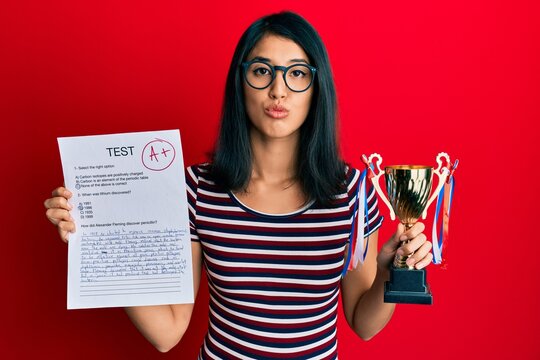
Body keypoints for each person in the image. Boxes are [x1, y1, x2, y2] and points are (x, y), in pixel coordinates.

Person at [44, 11, 433, 359]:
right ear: (240, 81)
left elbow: (363, 324)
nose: (278, 90)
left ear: (317, 89)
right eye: (262, 70)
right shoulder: (196, 190)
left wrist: (390, 272)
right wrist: (96, 243)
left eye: (297, 73)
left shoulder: (353, 191)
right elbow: (168, 332)